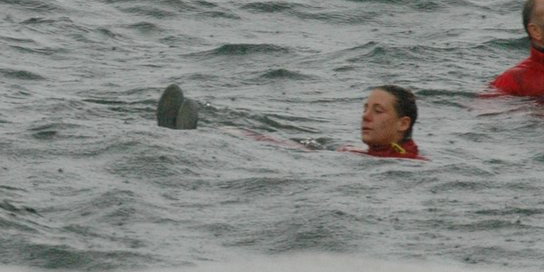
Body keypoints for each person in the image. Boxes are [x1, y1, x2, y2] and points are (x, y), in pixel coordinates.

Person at [156, 83, 421, 159]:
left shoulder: (406, 165)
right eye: (365, 108)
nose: (366, 116)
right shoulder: (379, 153)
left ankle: (188, 136)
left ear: (403, 124)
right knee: (257, 136)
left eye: (378, 111)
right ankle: (191, 132)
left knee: (267, 143)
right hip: (336, 153)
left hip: (328, 160)